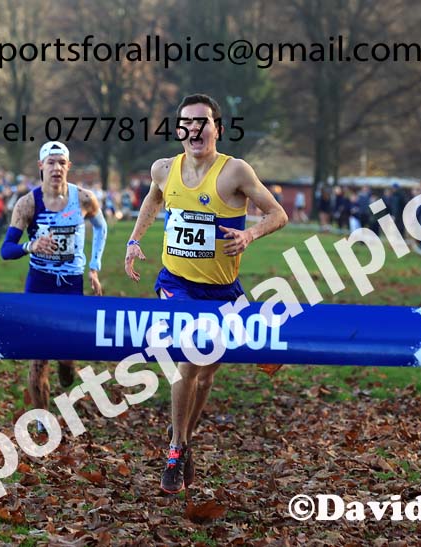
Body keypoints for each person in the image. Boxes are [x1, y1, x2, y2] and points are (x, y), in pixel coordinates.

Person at [123, 94, 288, 495]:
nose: (194, 130)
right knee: (188, 362)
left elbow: (278, 213)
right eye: (187, 123)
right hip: (176, 284)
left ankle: (184, 434)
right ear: (178, 129)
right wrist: (133, 240)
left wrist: (249, 234)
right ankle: (176, 448)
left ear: (218, 128)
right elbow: (153, 199)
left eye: (203, 123)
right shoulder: (163, 169)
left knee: (207, 373)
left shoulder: (235, 172)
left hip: (222, 288)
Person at [0, 141, 107, 432]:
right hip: (40, 284)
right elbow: (6, 250)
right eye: (51, 162)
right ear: (41, 166)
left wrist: (94, 267)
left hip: (71, 284)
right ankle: (41, 420)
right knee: (38, 357)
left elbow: (101, 227)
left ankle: (67, 363)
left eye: (62, 162)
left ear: (68, 167)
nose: (57, 168)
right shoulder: (28, 203)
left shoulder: (84, 199)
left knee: (66, 356)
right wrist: (30, 245)